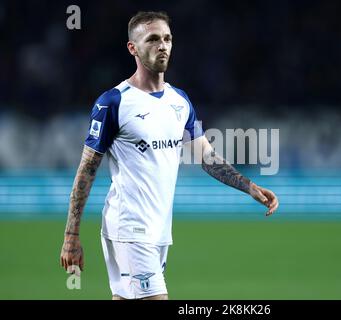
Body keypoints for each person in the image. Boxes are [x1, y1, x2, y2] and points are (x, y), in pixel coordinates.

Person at [60, 11, 279, 300]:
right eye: (152, 39)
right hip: (130, 228)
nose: (162, 45)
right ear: (133, 48)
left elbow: (207, 156)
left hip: (159, 230)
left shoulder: (180, 101)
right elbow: (87, 169)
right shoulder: (113, 102)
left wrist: (249, 186)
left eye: (167, 38)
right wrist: (71, 236)